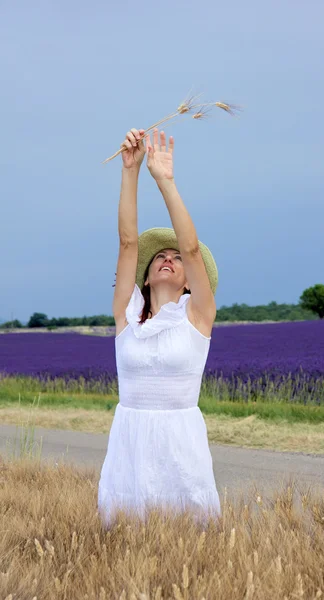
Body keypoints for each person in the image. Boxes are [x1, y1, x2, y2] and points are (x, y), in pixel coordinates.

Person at [98, 126, 221, 527]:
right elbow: (128, 243)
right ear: (145, 278)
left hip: (180, 447)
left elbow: (191, 246)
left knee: (189, 550)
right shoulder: (126, 316)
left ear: (189, 280)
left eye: (176, 259)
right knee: (125, 548)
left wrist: (164, 180)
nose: (169, 259)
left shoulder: (198, 315)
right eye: (159, 258)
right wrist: (129, 171)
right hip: (129, 445)